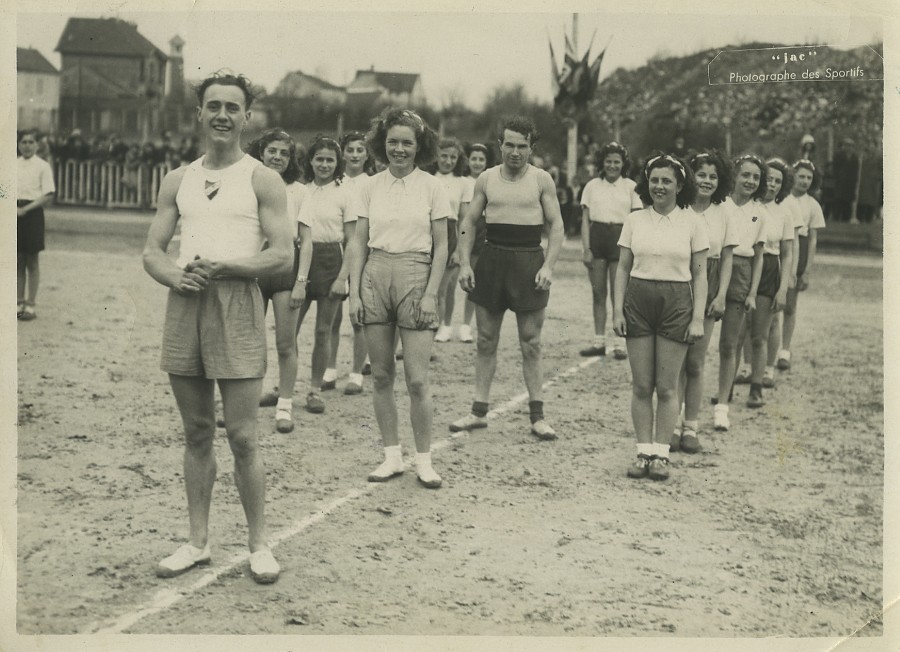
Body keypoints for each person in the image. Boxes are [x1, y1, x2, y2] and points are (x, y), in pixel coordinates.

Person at [142, 72, 292, 584]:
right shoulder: (177, 179)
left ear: (247, 117)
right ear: (200, 114)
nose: (222, 115)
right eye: (214, 106)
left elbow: (282, 254)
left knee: (244, 437)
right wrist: (175, 276)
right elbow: (152, 251)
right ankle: (197, 542)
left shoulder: (262, 179)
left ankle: (259, 545)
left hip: (237, 303)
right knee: (198, 431)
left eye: (232, 107)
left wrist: (227, 267)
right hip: (186, 302)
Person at [347, 108, 450, 488]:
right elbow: (358, 241)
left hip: (416, 275)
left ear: (419, 145)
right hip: (375, 273)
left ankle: (424, 460)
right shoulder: (369, 187)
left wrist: (431, 293)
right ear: (382, 144)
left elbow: (443, 246)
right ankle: (391, 456)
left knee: (417, 380)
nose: (399, 149)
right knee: (381, 375)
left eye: (407, 143)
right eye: (393, 142)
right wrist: (355, 293)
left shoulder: (433, 187)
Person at [451, 117, 565, 440]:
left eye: (522, 146)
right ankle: (478, 412)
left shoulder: (542, 180)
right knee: (486, 340)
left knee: (531, 342)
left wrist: (548, 267)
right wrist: (465, 264)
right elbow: (468, 222)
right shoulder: (486, 178)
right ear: (500, 145)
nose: (515, 152)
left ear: (531, 147)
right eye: (510, 145)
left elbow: (556, 225)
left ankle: (537, 416)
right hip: (492, 260)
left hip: (528, 261)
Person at [613, 153, 708, 480]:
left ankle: (661, 455)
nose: (659, 186)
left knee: (667, 387)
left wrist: (698, 318)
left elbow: (700, 274)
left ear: (680, 185)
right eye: (654, 180)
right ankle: (643, 452)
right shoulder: (634, 220)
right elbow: (622, 268)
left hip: (676, 303)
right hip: (638, 302)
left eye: (667, 181)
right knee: (642, 385)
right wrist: (617, 310)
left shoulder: (693, 222)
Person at [672, 151, 737, 454]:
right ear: (690, 176)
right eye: (701, 174)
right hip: (680, 279)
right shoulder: (680, 208)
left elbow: (727, 258)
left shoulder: (724, 212)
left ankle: (691, 426)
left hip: (708, 281)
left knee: (695, 362)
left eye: (713, 176)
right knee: (676, 361)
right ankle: (672, 423)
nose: (707, 181)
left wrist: (721, 295)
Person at [250, 129, 312, 433]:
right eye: (272, 151)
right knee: (250, 341)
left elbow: (307, 241)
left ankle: (284, 405)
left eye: (284, 153)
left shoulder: (299, 191)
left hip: (286, 267)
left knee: (286, 343)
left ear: (291, 159)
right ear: (262, 153)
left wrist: (301, 281)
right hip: (253, 265)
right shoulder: (248, 185)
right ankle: (245, 405)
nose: (277, 157)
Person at [293, 136, 353, 414]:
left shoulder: (345, 193)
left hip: (331, 260)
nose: (324, 165)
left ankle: (315, 390)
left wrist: (342, 277)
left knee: (322, 330)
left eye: (330, 160)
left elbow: (353, 241)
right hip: (302, 259)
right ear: (310, 161)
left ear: (337, 163)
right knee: (290, 328)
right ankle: (284, 387)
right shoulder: (301, 190)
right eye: (319, 159)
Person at [712, 154, 767, 431]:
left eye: (756, 177)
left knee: (729, 343)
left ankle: (722, 405)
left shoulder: (759, 212)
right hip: (715, 267)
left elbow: (759, 256)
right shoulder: (719, 203)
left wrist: (752, 292)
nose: (750, 181)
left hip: (742, 272)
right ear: (734, 175)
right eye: (746, 175)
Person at [735, 158, 795, 408]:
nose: (772, 185)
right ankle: (727, 387)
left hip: (769, 268)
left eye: (778, 181)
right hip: (744, 264)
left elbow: (787, 253)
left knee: (760, 333)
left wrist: (783, 289)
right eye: (768, 179)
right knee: (737, 332)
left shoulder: (784, 213)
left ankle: (756, 388)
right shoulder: (748, 207)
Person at [578, 141, 643, 360]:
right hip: (597, 238)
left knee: (619, 294)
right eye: (608, 161)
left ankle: (619, 342)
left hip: (620, 239)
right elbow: (585, 220)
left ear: (623, 164)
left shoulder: (631, 187)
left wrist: (633, 249)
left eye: (617, 162)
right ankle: (598, 341)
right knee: (598, 293)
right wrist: (586, 248)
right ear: (602, 163)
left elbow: (636, 220)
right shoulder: (592, 186)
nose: (612, 166)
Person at [322, 131, 373, 395]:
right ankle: (329, 370)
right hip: (337, 253)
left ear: (367, 154)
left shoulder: (372, 184)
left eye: (359, 150)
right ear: (342, 153)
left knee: (358, 316)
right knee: (332, 315)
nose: (354, 155)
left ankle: (356, 372)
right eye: (350, 150)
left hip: (362, 253)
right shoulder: (334, 182)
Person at [776, 159, 826, 370]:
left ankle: (785, 350)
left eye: (809, 178)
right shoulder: (781, 198)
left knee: (789, 304)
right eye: (801, 176)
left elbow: (812, 239)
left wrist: (807, 270)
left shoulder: (812, 205)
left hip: (800, 249)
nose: (805, 181)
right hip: (778, 246)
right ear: (792, 177)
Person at [433, 137, 473, 343]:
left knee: (442, 289)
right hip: (427, 232)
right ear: (436, 156)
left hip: (450, 235)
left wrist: (458, 249)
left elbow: (464, 220)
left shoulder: (463, 183)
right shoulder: (427, 178)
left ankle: (439, 329)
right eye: (444, 156)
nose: (448, 161)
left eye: (453, 157)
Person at [17, 129, 56, 321]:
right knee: (17, 260)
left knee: (32, 260)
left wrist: (26, 209)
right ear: (18, 145)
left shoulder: (43, 166)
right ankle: (18, 303)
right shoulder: (11, 165)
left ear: (37, 145)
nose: (27, 146)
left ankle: (30, 305)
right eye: (23, 142)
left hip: (32, 214)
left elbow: (48, 194)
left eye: (30, 142)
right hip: (14, 213)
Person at [458, 143, 491, 344]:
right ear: (468, 161)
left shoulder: (489, 180)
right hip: (464, 227)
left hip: (483, 229)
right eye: (474, 159)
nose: (477, 163)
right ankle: (443, 325)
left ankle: (466, 325)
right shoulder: (462, 181)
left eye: (481, 159)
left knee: (475, 279)